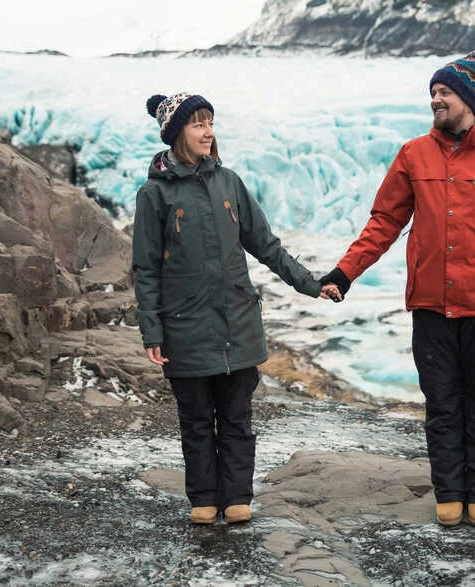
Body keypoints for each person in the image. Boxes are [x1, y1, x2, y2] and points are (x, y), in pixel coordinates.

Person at [319, 52, 475, 528]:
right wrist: (345, 273)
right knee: (442, 406)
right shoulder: (414, 154)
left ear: (470, 97)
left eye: (443, 92)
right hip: (431, 306)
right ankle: (449, 497)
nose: (435, 100)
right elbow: (384, 221)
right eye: (432, 92)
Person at [132, 92, 341, 525]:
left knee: (237, 419)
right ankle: (204, 499)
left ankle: (237, 497)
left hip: (238, 322)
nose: (208, 132)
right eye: (198, 124)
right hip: (185, 326)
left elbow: (265, 244)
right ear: (176, 134)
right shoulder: (154, 194)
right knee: (195, 421)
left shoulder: (229, 183)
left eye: (210, 123)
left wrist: (311, 284)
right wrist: (152, 330)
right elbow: (146, 268)